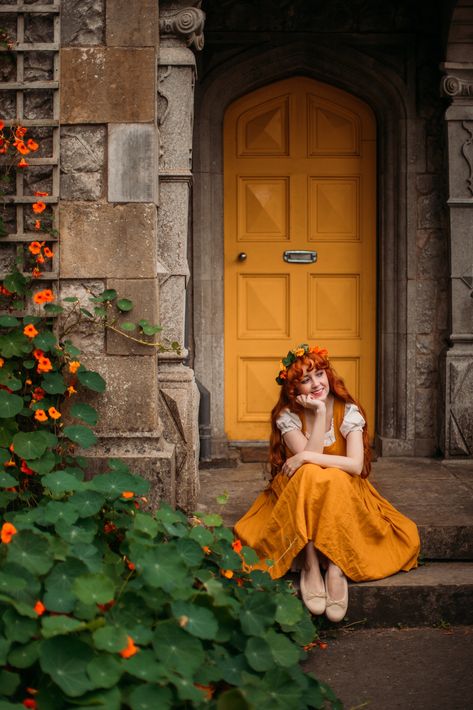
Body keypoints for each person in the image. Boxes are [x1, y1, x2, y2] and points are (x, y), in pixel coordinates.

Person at [234, 343, 420, 622]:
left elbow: (355, 466)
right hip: (298, 492)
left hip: (344, 493)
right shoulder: (288, 416)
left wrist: (305, 455)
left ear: (329, 375)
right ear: (293, 389)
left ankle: (335, 565)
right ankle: (310, 562)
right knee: (310, 474)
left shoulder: (348, 411)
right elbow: (311, 464)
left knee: (327, 475)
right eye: (305, 380)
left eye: (320, 374)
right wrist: (320, 413)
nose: (316, 383)